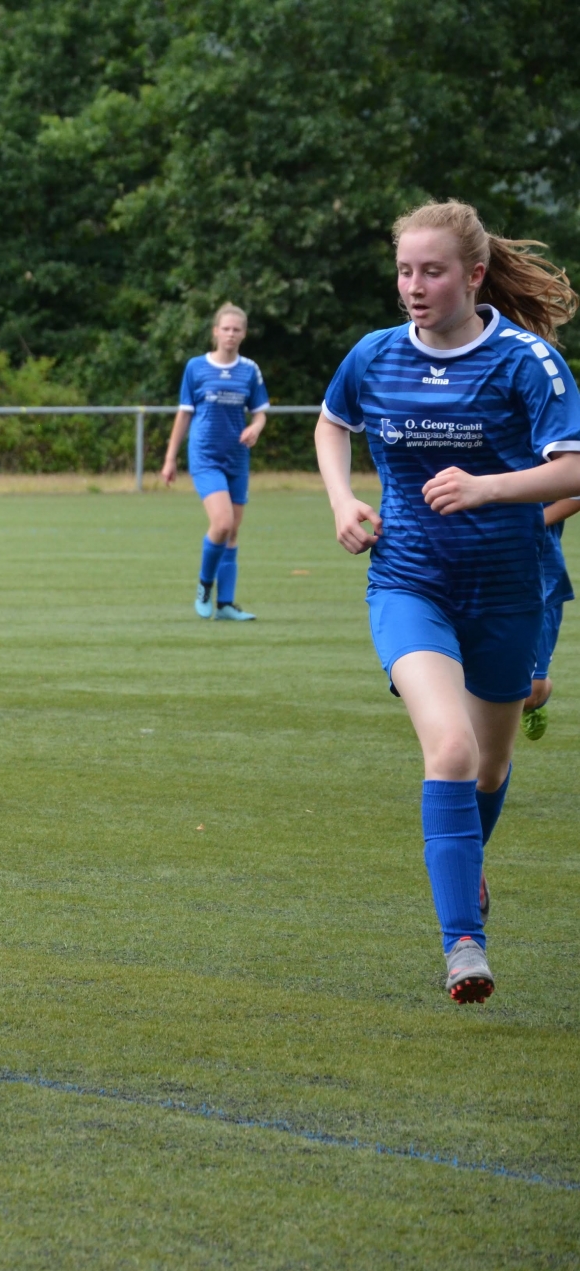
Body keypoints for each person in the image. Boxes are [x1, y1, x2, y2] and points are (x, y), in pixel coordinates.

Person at [314, 200, 580, 1005]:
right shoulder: (374, 354)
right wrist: (342, 501)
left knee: (491, 764)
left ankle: (468, 865)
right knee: (454, 750)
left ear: (473, 275)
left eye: (432, 271)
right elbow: (331, 424)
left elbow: (574, 466)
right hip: (409, 581)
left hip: (508, 589)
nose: (414, 286)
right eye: (405, 270)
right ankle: (464, 943)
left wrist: (488, 487)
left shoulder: (527, 362)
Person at [161, 304, 270, 620]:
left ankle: (225, 605)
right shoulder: (196, 367)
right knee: (221, 523)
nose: (231, 334)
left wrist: (256, 428)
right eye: (226, 329)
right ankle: (204, 586)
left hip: (237, 457)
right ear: (215, 332)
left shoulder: (249, 370)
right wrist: (170, 459)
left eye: (237, 329)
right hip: (205, 456)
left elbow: (260, 413)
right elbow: (184, 414)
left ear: (243, 334)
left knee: (232, 531)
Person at [521, 498, 579, 740]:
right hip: (474, 575)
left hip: (542, 577)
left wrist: (529, 522)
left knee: (529, 695)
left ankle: (537, 698)